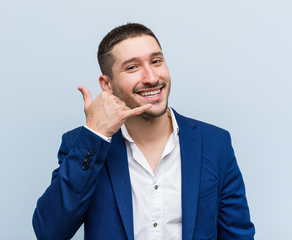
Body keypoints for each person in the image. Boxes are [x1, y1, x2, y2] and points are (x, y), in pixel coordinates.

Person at [32, 23, 255, 240]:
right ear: (107, 85)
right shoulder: (81, 145)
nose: (151, 78)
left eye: (156, 61)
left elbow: (238, 234)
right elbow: (49, 233)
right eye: (132, 67)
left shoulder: (215, 143)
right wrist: (95, 135)